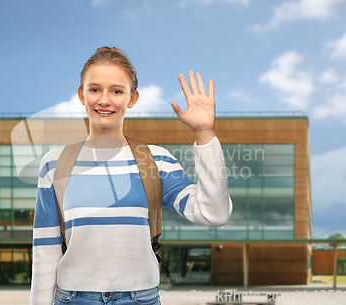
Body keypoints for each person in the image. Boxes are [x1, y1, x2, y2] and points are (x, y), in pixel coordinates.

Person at [30, 46, 233, 305]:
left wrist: (205, 133)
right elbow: (46, 252)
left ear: (132, 98)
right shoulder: (54, 165)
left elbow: (214, 213)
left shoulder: (156, 160)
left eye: (116, 91)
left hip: (140, 299)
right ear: (81, 95)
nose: (104, 99)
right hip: (72, 298)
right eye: (94, 89)